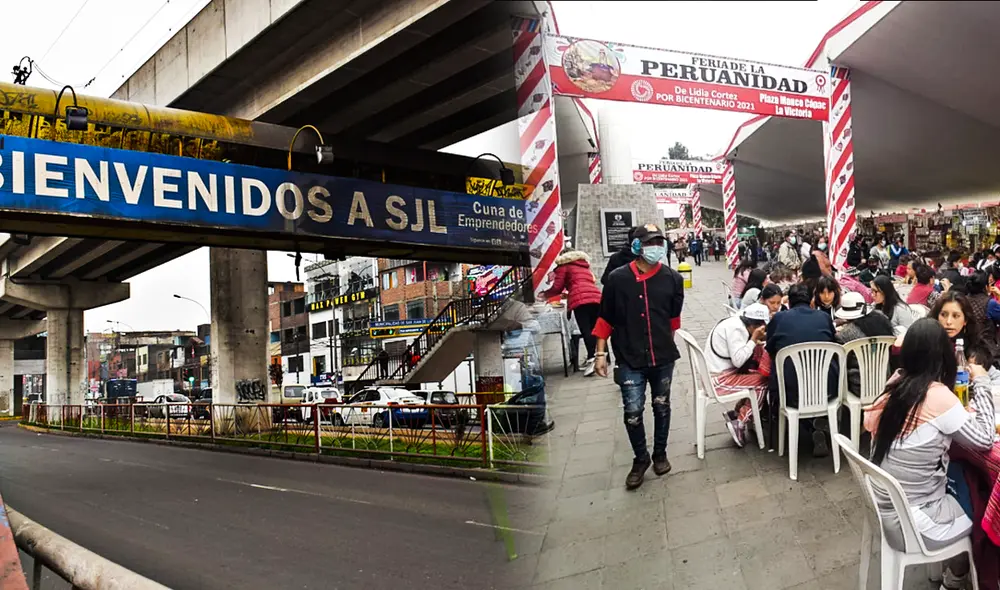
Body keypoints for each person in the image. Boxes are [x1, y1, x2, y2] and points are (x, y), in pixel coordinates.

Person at [864, 319, 994, 590]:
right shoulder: (938, 396)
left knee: (960, 472)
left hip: (886, 510)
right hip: (917, 524)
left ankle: (954, 572)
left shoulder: (895, 384)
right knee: (984, 497)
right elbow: (983, 439)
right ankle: (960, 576)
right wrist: (981, 381)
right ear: (944, 355)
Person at [593, 223, 685, 490]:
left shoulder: (673, 279)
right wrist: (600, 353)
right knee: (632, 412)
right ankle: (640, 458)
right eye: (649, 243)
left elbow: (673, 320)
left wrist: (664, 342)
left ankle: (660, 454)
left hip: (662, 357)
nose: (655, 248)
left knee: (662, 406)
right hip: (629, 357)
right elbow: (605, 318)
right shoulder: (617, 279)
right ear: (637, 246)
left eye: (659, 242)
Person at [765, 283, 839, 457]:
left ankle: (810, 425)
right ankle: (816, 424)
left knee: (784, 373)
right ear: (811, 300)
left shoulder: (779, 318)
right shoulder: (824, 317)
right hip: (826, 388)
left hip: (791, 392)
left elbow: (770, 349)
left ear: (789, 302)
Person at [705, 303, 771, 448]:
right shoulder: (737, 330)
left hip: (718, 372)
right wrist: (753, 340)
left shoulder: (736, 322)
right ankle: (740, 422)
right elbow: (738, 360)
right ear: (756, 326)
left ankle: (736, 413)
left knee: (755, 374)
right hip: (719, 380)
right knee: (763, 382)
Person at [544, 247, 604, 376]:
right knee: (594, 329)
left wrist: (545, 295)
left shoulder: (563, 266)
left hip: (581, 300)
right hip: (596, 297)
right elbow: (586, 282)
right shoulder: (583, 265)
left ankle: (592, 359)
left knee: (586, 330)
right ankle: (595, 357)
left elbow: (557, 287)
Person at [834, 292, 895, 396]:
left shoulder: (844, 334)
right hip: (885, 380)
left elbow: (843, 362)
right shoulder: (883, 319)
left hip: (860, 386)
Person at [963, 271, 994, 345]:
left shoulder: (963, 300)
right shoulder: (990, 303)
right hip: (985, 345)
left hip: (965, 342)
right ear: (986, 286)